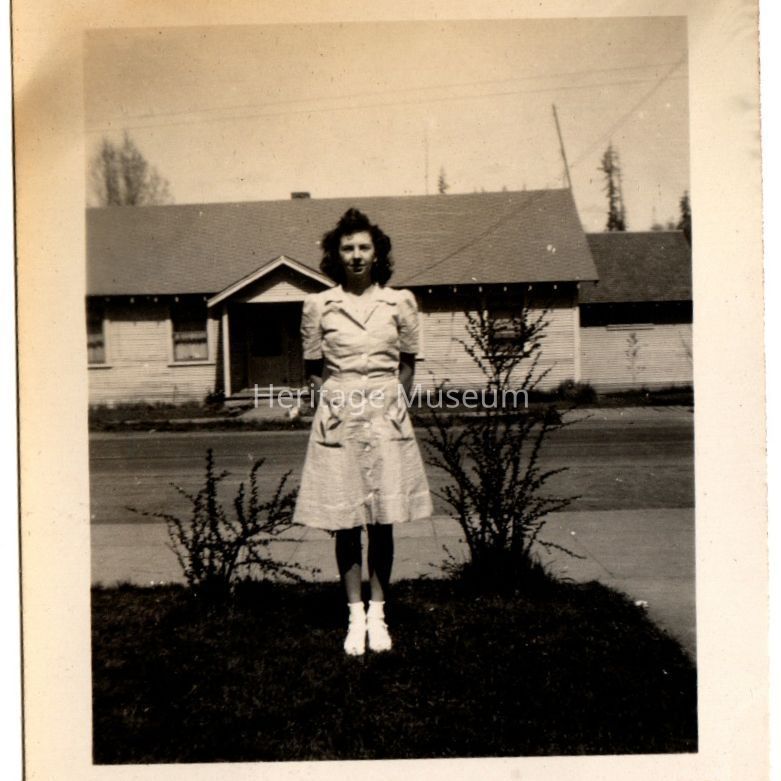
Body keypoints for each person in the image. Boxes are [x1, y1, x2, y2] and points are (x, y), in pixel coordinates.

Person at [292, 208, 433, 656]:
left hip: (385, 414)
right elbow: (313, 369)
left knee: (383, 519)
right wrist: (329, 405)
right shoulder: (319, 305)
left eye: (364, 247)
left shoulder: (399, 303)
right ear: (336, 255)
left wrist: (395, 406)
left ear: (377, 254)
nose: (356, 255)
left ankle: (378, 615)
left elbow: (407, 364)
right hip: (339, 415)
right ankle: (354, 618)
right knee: (346, 521)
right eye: (348, 247)